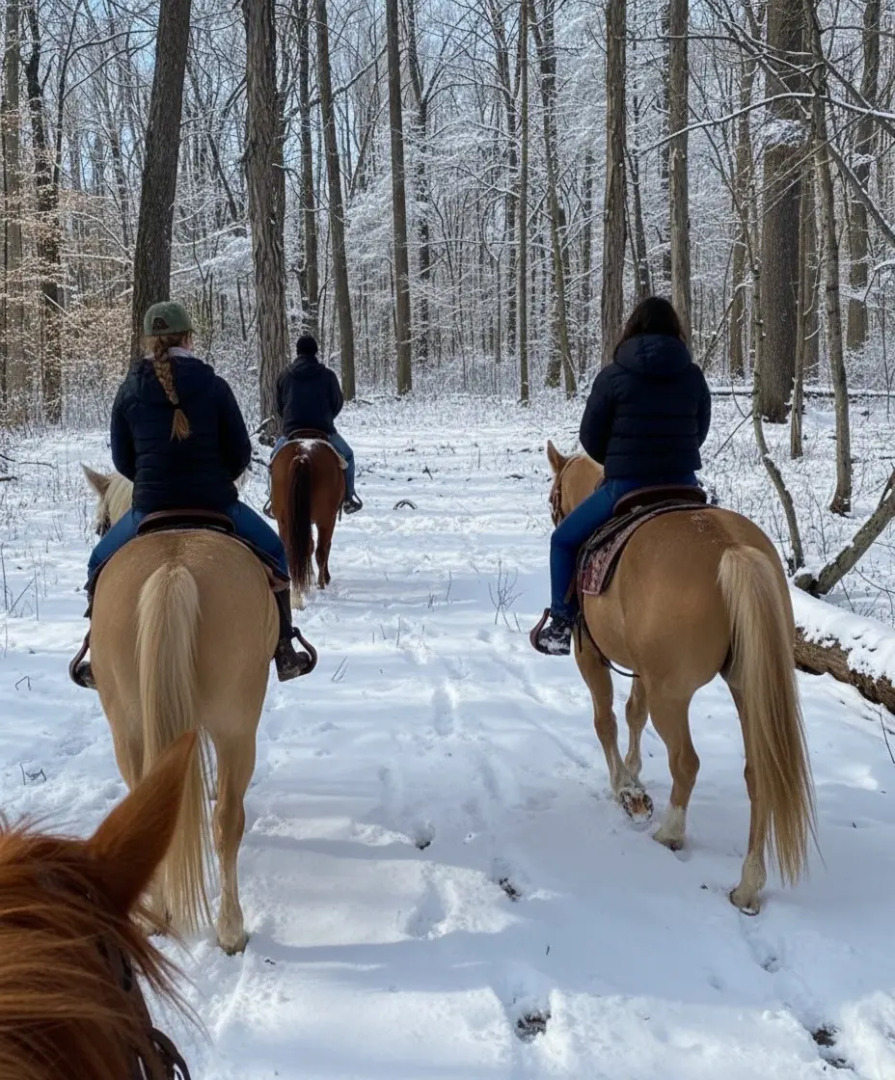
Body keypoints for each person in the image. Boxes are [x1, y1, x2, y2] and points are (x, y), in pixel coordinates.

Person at [74, 301, 311, 686]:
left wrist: (151, 483)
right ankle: (284, 647)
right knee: (277, 554)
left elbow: (122, 459)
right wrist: (217, 480)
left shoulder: (130, 389)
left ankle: (98, 656)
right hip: (216, 504)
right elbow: (240, 453)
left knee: (98, 565)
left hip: (149, 507)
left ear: (149, 341)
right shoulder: (214, 386)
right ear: (188, 337)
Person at [532, 296, 711, 656]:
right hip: (683, 485)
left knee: (564, 541)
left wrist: (618, 460)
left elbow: (590, 439)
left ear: (631, 329)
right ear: (675, 330)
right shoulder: (692, 375)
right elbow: (700, 430)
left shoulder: (613, 375)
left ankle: (562, 623)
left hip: (627, 486)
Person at [273, 334, 362, 514]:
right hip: (323, 430)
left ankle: (273, 499)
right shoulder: (328, 375)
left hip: (292, 432)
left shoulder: (284, 375)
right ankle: (348, 498)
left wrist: (291, 422)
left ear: (297, 352)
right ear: (316, 352)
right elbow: (337, 403)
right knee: (348, 456)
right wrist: (327, 418)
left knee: (274, 459)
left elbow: (279, 407)